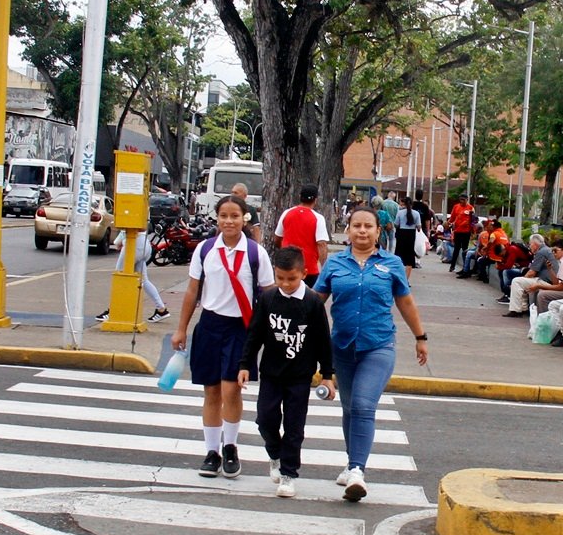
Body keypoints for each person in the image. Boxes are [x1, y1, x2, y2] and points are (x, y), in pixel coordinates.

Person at [315, 206, 428, 502]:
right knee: (350, 408)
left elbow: (405, 303)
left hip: (378, 345)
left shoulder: (391, 264)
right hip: (342, 346)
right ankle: (352, 462)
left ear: (379, 231)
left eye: (368, 226)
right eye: (356, 226)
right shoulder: (334, 264)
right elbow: (316, 303)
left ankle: (357, 470)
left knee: (364, 405)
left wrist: (420, 337)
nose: (362, 231)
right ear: (347, 230)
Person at [172, 196, 275, 478]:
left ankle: (230, 446)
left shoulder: (256, 253)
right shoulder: (206, 250)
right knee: (212, 391)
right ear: (217, 219)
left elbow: (268, 293)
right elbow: (193, 291)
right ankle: (211, 451)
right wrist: (181, 328)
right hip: (210, 325)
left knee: (231, 389)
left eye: (235, 216)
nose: (229, 221)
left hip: (241, 327)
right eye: (224, 216)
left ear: (245, 219)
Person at [238, 247, 335, 499]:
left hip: (300, 375)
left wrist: (327, 374)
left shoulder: (313, 302)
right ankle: (274, 453)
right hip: (271, 372)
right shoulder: (269, 298)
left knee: (294, 426)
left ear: (303, 273)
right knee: (265, 419)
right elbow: (255, 334)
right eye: (280, 278)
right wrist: (245, 364)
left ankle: (289, 473)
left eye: (291, 278)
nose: (285, 284)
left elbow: (324, 340)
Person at [96, 228, 171, 323]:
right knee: (143, 280)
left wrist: (118, 241)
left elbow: (126, 227)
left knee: (120, 276)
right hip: (144, 243)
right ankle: (161, 309)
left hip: (133, 243)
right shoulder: (144, 212)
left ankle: (112, 311)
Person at [274, 184, 330, 283]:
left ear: (300, 197)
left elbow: (277, 238)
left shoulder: (287, 213)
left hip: (288, 265)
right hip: (308, 268)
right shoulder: (318, 218)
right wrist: (324, 267)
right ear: (316, 200)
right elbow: (321, 244)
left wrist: (283, 251)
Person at [503, 234, 559, 317]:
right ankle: (523, 308)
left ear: (535, 244)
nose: (529, 246)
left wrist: (523, 279)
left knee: (516, 281)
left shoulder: (541, 252)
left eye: (530, 244)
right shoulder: (546, 250)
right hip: (547, 280)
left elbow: (532, 272)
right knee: (523, 283)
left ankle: (516, 310)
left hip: (546, 281)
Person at [393, 195, 423, 277]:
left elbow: (396, 224)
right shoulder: (416, 213)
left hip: (401, 234)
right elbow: (419, 227)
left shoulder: (400, 212)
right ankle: (406, 279)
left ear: (404, 204)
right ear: (412, 204)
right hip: (411, 235)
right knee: (409, 257)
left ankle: (399, 276)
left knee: (399, 256)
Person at [447, 196, 476, 270]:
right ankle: (452, 266)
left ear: (467, 200)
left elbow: (473, 221)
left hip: (466, 232)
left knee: (465, 249)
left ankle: (465, 267)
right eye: (460, 199)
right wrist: (448, 223)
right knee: (456, 249)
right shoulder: (456, 207)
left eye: (463, 200)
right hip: (457, 231)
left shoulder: (471, 208)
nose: (462, 201)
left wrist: (473, 232)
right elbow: (452, 217)